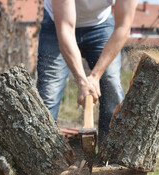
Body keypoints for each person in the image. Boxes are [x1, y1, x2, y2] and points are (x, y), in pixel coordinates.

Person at [37, 0, 138, 146]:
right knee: (48, 93)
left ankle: (110, 158)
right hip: (57, 24)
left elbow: (123, 27)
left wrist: (96, 76)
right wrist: (82, 81)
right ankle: (43, 157)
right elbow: (65, 28)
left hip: (101, 24)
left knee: (111, 83)